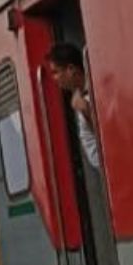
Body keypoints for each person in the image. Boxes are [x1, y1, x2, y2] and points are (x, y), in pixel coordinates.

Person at [47, 42, 101, 170]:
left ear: (71, 69)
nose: (54, 78)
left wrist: (85, 109)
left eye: (56, 72)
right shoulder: (79, 94)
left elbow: (108, 135)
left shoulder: (93, 93)